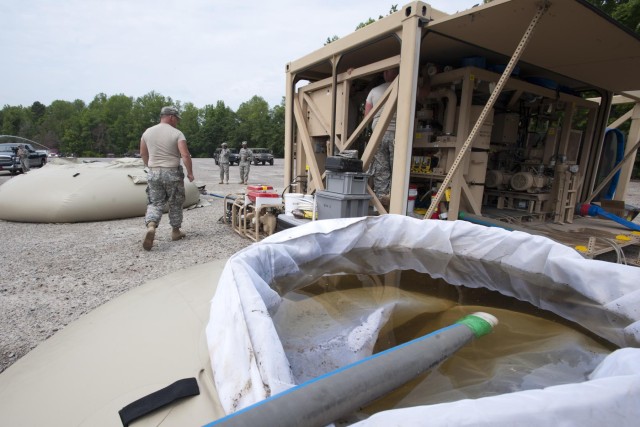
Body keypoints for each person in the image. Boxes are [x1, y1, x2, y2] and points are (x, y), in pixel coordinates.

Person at [139, 106, 195, 251]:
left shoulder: (147, 132)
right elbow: (185, 155)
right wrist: (190, 172)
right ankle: (175, 232)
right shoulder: (177, 133)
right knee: (175, 202)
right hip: (172, 172)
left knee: (155, 202)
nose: (177, 122)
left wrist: (150, 167)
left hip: (153, 172)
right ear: (171, 117)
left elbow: (143, 153)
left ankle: (151, 226)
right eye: (176, 119)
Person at [364, 68, 399, 206]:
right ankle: (397, 200)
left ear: (386, 74)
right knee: (397, 169)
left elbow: (367, 117)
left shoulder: (374, 91)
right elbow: (423, 96)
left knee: (381, 172)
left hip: (378, 135)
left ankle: (382, 204)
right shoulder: (407, 87)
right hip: (398, 134)